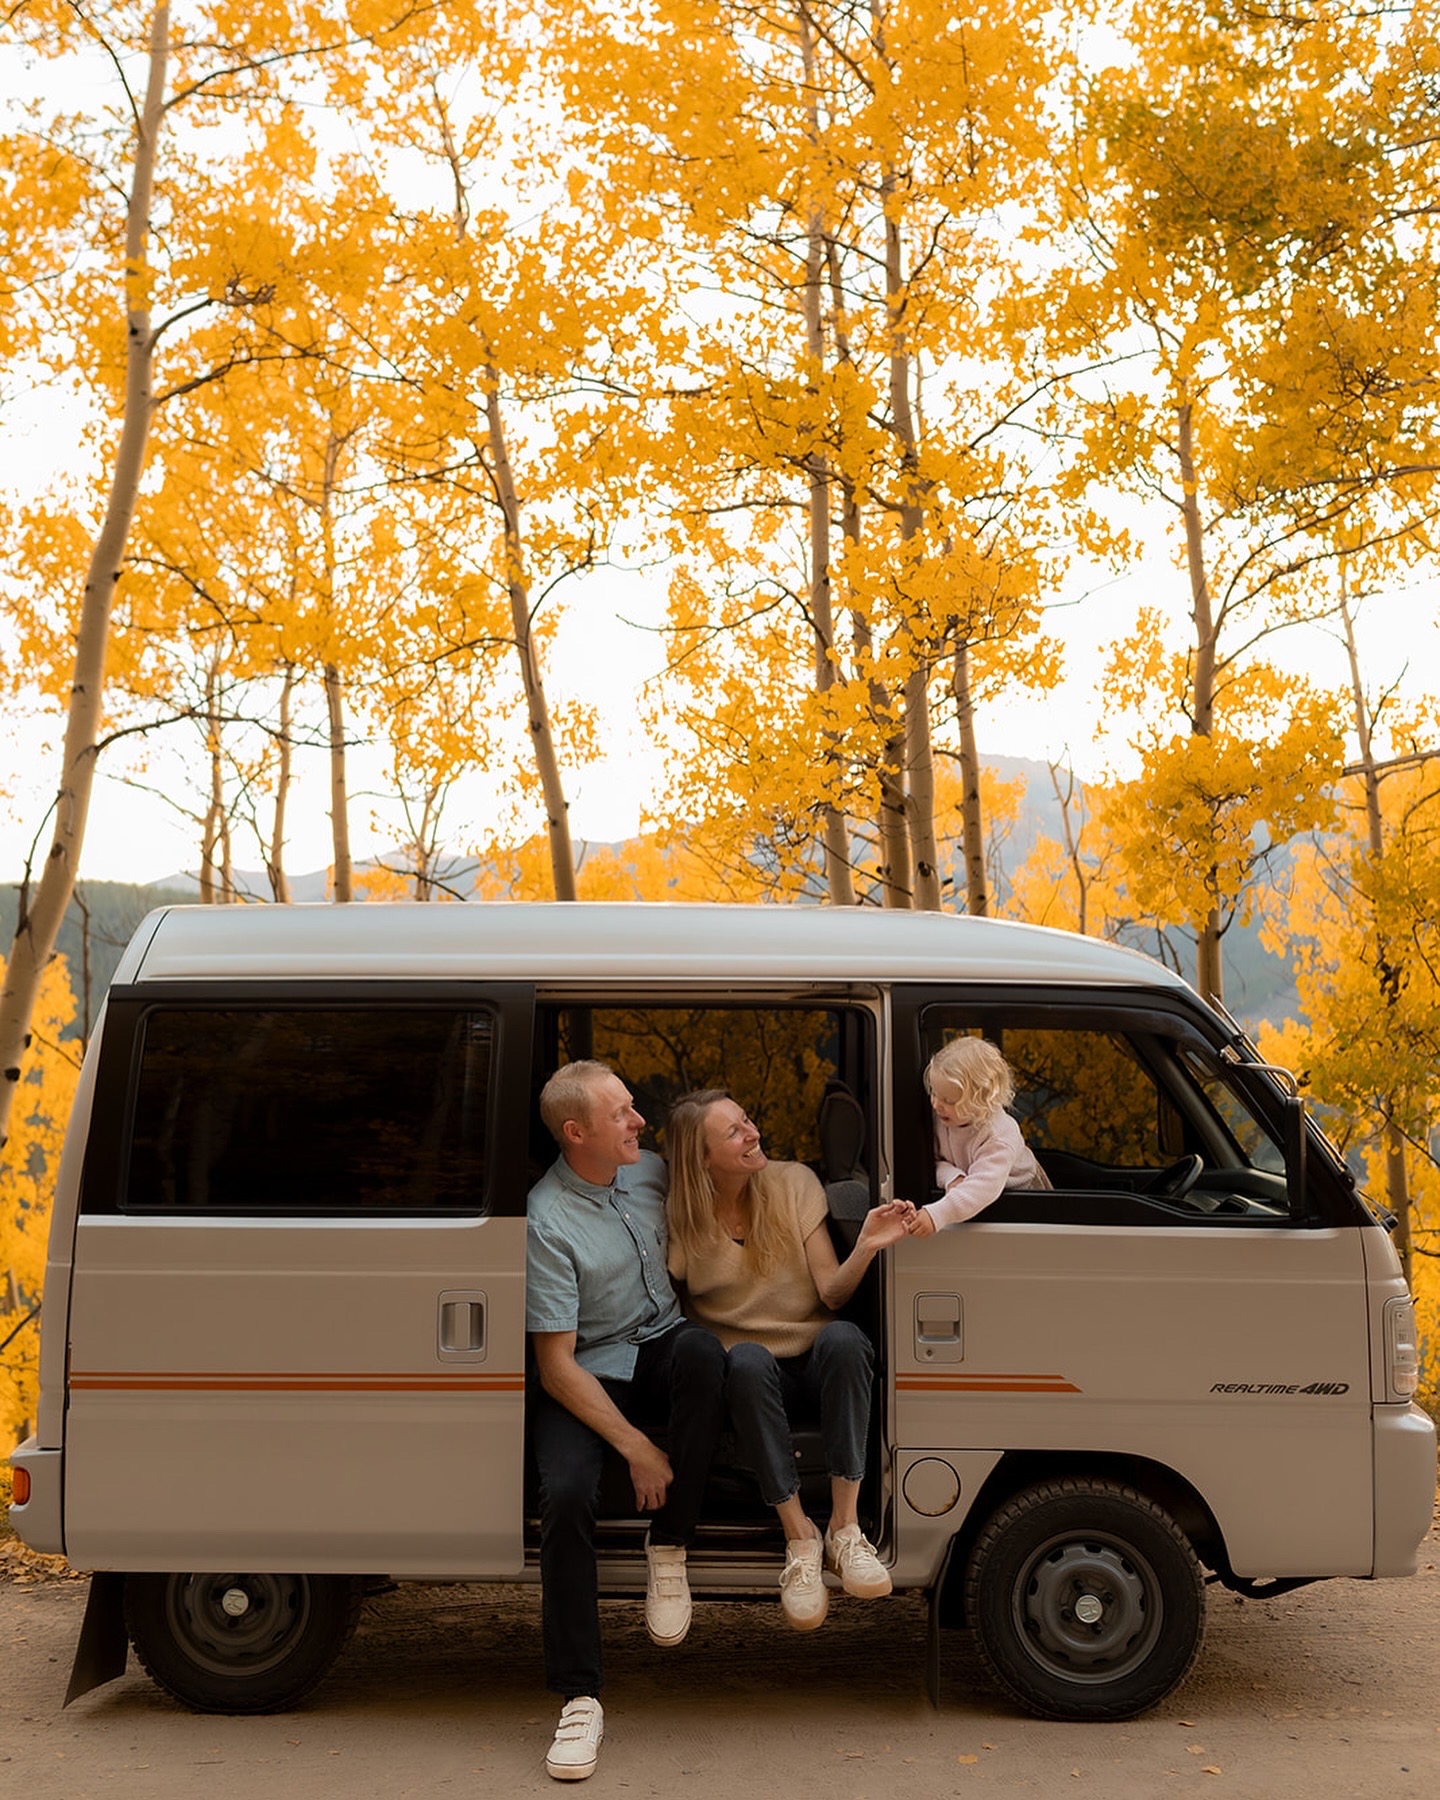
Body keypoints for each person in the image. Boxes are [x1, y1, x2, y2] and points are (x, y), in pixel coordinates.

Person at [526, 1060, 727, 1783]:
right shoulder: (546, 1219)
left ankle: (668, 1550)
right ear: (577, 1132)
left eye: (633, 1108)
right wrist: (638, 1446)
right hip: (586, 1375)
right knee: (570, 1494)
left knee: (705, 1353)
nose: (639, 1121)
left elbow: (731, 1166)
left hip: (661, 1346)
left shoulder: (648, 1172)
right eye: (621, 1114)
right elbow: (556, 1368)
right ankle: (580, 1696)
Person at [663, 1089, 912, 1630]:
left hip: (814, 1360)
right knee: (748, 1360)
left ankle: (845, 1530)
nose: (752, 1132)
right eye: (733, 1132)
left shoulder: (793, 1181)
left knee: (846, 1339)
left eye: (747, 1117)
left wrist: (866, 1244)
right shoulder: (682, 1218)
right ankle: (800, 1538)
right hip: (748, 1378)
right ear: (702, 1159)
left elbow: (833, 1293)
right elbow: (671, 1315)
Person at [907, 1036, 1051, 1237]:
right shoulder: (942, 1117)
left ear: (981, 1101)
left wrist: (935, 1215)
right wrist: (952, 1176)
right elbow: (931, 1161)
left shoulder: (998, 1136)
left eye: (948, 1100)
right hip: (976, 1195)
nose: (936, 1104)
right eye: (934, 1093)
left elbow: (981, 1189)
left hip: (1026, 1204)